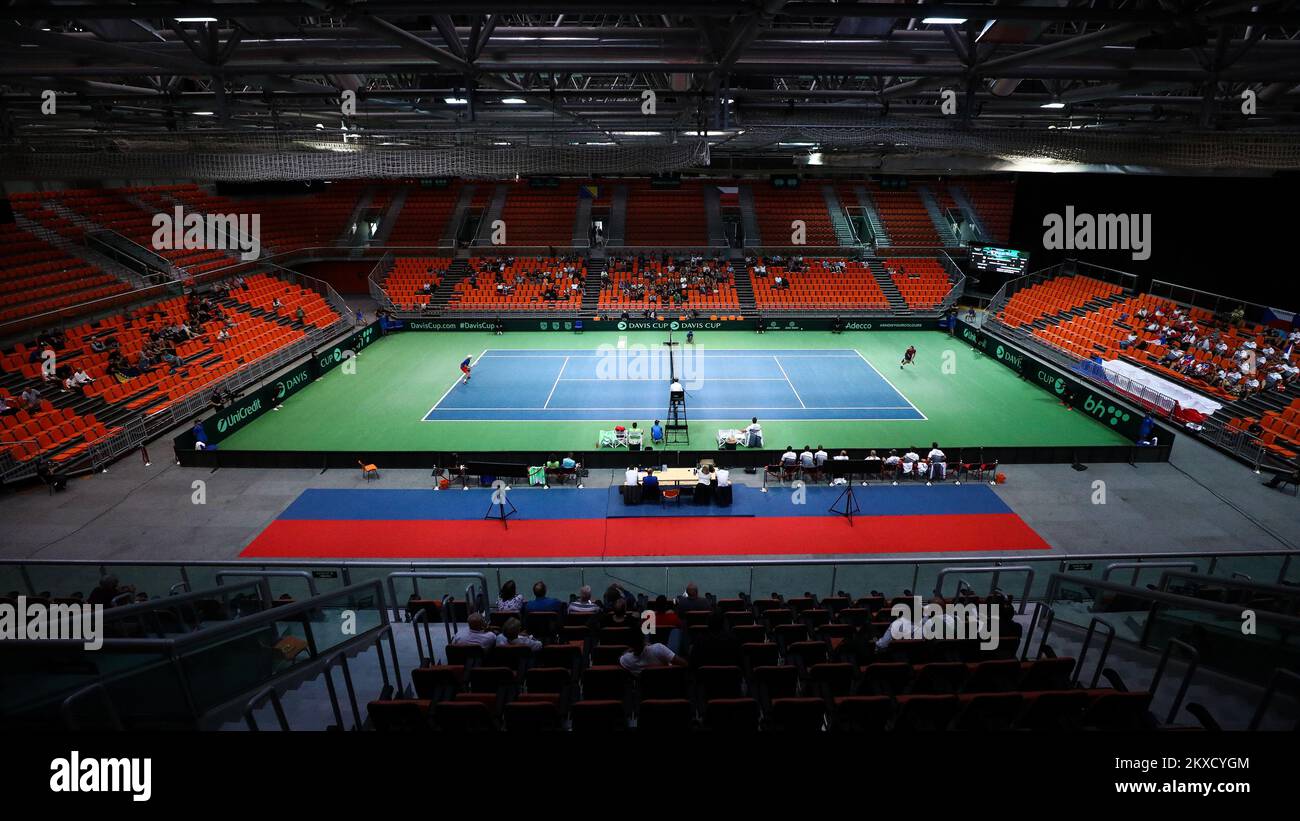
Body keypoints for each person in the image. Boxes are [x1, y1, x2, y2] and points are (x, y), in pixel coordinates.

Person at [619, 626, 686, 676]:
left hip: (647, 691)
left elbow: (621, 658)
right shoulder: (658, 648)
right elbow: (684, 663)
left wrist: (630, 650)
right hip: (667, 680)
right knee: (675, 631)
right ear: (643, 639)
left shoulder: (626, 660)